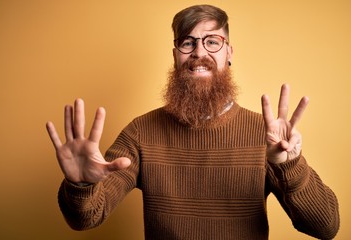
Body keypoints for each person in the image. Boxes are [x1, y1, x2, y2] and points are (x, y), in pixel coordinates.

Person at [46, 4, 339, 240]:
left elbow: (326, 228)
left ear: (229, 53)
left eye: (213, 41)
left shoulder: (265, 137)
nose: (200, 52)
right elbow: (87, 218)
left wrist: (289, 165)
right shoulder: (140, 132)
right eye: (188, 42)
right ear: (175, 55)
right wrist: (81, 184)